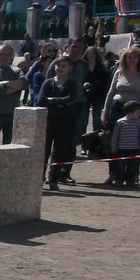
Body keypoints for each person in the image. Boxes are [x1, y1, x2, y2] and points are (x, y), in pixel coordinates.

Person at [37, 56, 80, 191]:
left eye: (64, 66)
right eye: (58, 65)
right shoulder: (48, 83)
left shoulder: (72, 84)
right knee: (44, 151)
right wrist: (60, 102)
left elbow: (71, 98)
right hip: (49, 121)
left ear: (70, 68)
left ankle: (54, 179)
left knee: (60, 151)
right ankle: (39, 178)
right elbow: (41, 100)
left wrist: (53, 101)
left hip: (65, 121)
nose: (60, 68)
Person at [102, 46, 140, 135]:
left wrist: (138, 108)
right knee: (115, 135)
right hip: (117, 107)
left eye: (135, 57)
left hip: (136, 110)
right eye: (129, 57)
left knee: (134, 136)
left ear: (139, 58)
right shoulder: (118, 72)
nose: (132, 59)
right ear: (125, 58)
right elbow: (110, 93)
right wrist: (105, 112)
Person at [0, 43, 26, 145]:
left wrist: (5, 84)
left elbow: (24, 84)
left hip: (12, 114)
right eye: (1, 54)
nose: (3, 57)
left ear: (12, 56)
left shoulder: (17, 71)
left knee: (10, 147)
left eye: (7, 55)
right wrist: (14, 88)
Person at [110, 101, 140, 187]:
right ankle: (119, 180)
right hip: (122, 149)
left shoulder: (139, 122)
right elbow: (115, 135)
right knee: (120, 166)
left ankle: (131, 181)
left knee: (133, 167)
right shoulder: (120, 122)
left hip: (135, 149)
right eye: (138, 112)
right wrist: (113, 146)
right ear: (130, 113)